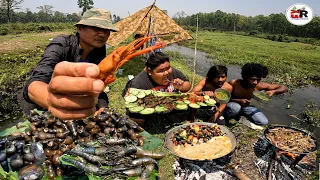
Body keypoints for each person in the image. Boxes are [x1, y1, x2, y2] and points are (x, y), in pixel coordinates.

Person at [18, 8, 118, 120]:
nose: (102, 34)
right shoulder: (61, 45)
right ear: (79, 28)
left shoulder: (99, 50)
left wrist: (102, 106)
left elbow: (97, 84)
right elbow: (37, 80)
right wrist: (53, 101)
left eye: (107, 30)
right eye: (96, 28)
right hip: (40, 103)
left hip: (75, 100)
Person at [122, 52, 191, 126]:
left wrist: (181, 86)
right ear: (149, 71)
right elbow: (132, 104)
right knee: (138, 121)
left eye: (168, 68)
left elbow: (187, 85)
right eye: (161, 71)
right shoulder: (138, 83)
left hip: (166, 103)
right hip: (146, 105)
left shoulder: (172, 72)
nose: (166, 73)